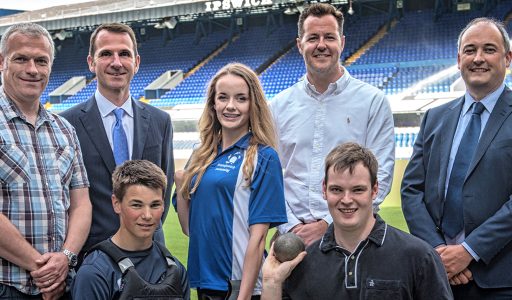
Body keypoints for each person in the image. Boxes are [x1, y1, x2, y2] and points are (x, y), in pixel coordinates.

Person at [401, 17, 512, 298]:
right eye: (470, 50)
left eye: (489, 49)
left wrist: (469, 251)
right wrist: (439, 252)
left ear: (507, 58)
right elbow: (412, 190)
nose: (478, 58)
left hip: (499, 279)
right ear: (458, 58)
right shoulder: (434, 119)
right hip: (437, 276)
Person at [270, 3, 395, 246]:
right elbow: (269, 175)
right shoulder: (278, 106)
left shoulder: (372, 102)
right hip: (291, 239)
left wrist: (328, 224)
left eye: (329, 37)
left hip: (352, 236)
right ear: (299, 44)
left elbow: (382, 175)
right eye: (312, 38)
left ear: (342, 42)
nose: (321, 45)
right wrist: (292, 226)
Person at [261, 143, 452, 300]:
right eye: (336, 190)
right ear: (324, 189)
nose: (346, 199)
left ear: (375, 190)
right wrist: (271, 282)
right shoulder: (304, 261)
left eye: (358, 190)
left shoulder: (418, 256)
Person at [61, 23, 174, 258]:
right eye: (106, 54)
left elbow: (164, 185)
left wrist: (143, 231)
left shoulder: (160, 121)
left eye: (124, 54)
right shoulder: (66, 123)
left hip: (150, 254)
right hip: (93, 257)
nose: (116, 62)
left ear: (137, 62)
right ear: (91, 62)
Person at [175, 63, 287, 299]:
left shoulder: (264, 157)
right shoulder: (200, 155)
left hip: (238, 286)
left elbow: (257, 239)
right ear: (213, 104)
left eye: (241, 98)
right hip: (206, 283)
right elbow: (189, 228)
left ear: (252, 105)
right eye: (223, 97)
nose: (230, 106)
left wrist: (243, 296)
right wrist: (181, 184)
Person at [0, 23, 91, 299]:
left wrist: (65, 257)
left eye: (41, 61)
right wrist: (42, 268)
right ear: (1, 62)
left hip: (62, 283)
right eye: (21, 59)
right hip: (7, 285)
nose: (33, 69)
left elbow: (81, 204)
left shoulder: (64, 129)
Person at [72, 160, 189, 299]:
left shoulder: (175, 269)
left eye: (155, 205)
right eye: (137, 205)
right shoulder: (95, 271)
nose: (147, 215)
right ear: (116, 204)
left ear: (164, 205)